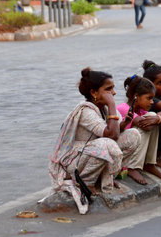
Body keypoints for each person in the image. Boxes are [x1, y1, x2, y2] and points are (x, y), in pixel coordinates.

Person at [48, 68, 140, 213]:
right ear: (94, 93)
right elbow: (110, 136)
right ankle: (86, 182)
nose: (113, 93)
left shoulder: (105, 109)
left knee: (134, 135)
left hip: (93, 152)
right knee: (107, 144)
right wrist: (111, 105)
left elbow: (115, 133)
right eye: (108, 89)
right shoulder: (86, 112)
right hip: (75, 160)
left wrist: (121, 124)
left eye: (113, 89)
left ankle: (105, 177)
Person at [117, 75, 161, 185]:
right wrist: (157, 118)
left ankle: (149, 164)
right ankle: (132, 167)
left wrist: (159, 118)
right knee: (152, 118)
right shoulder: (124, 108)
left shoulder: (140, 110)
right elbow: (148, 126)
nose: (152, 102)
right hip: (120, 152)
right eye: (149, 98)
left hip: (130, 150)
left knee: (153, 118)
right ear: (136, 96)